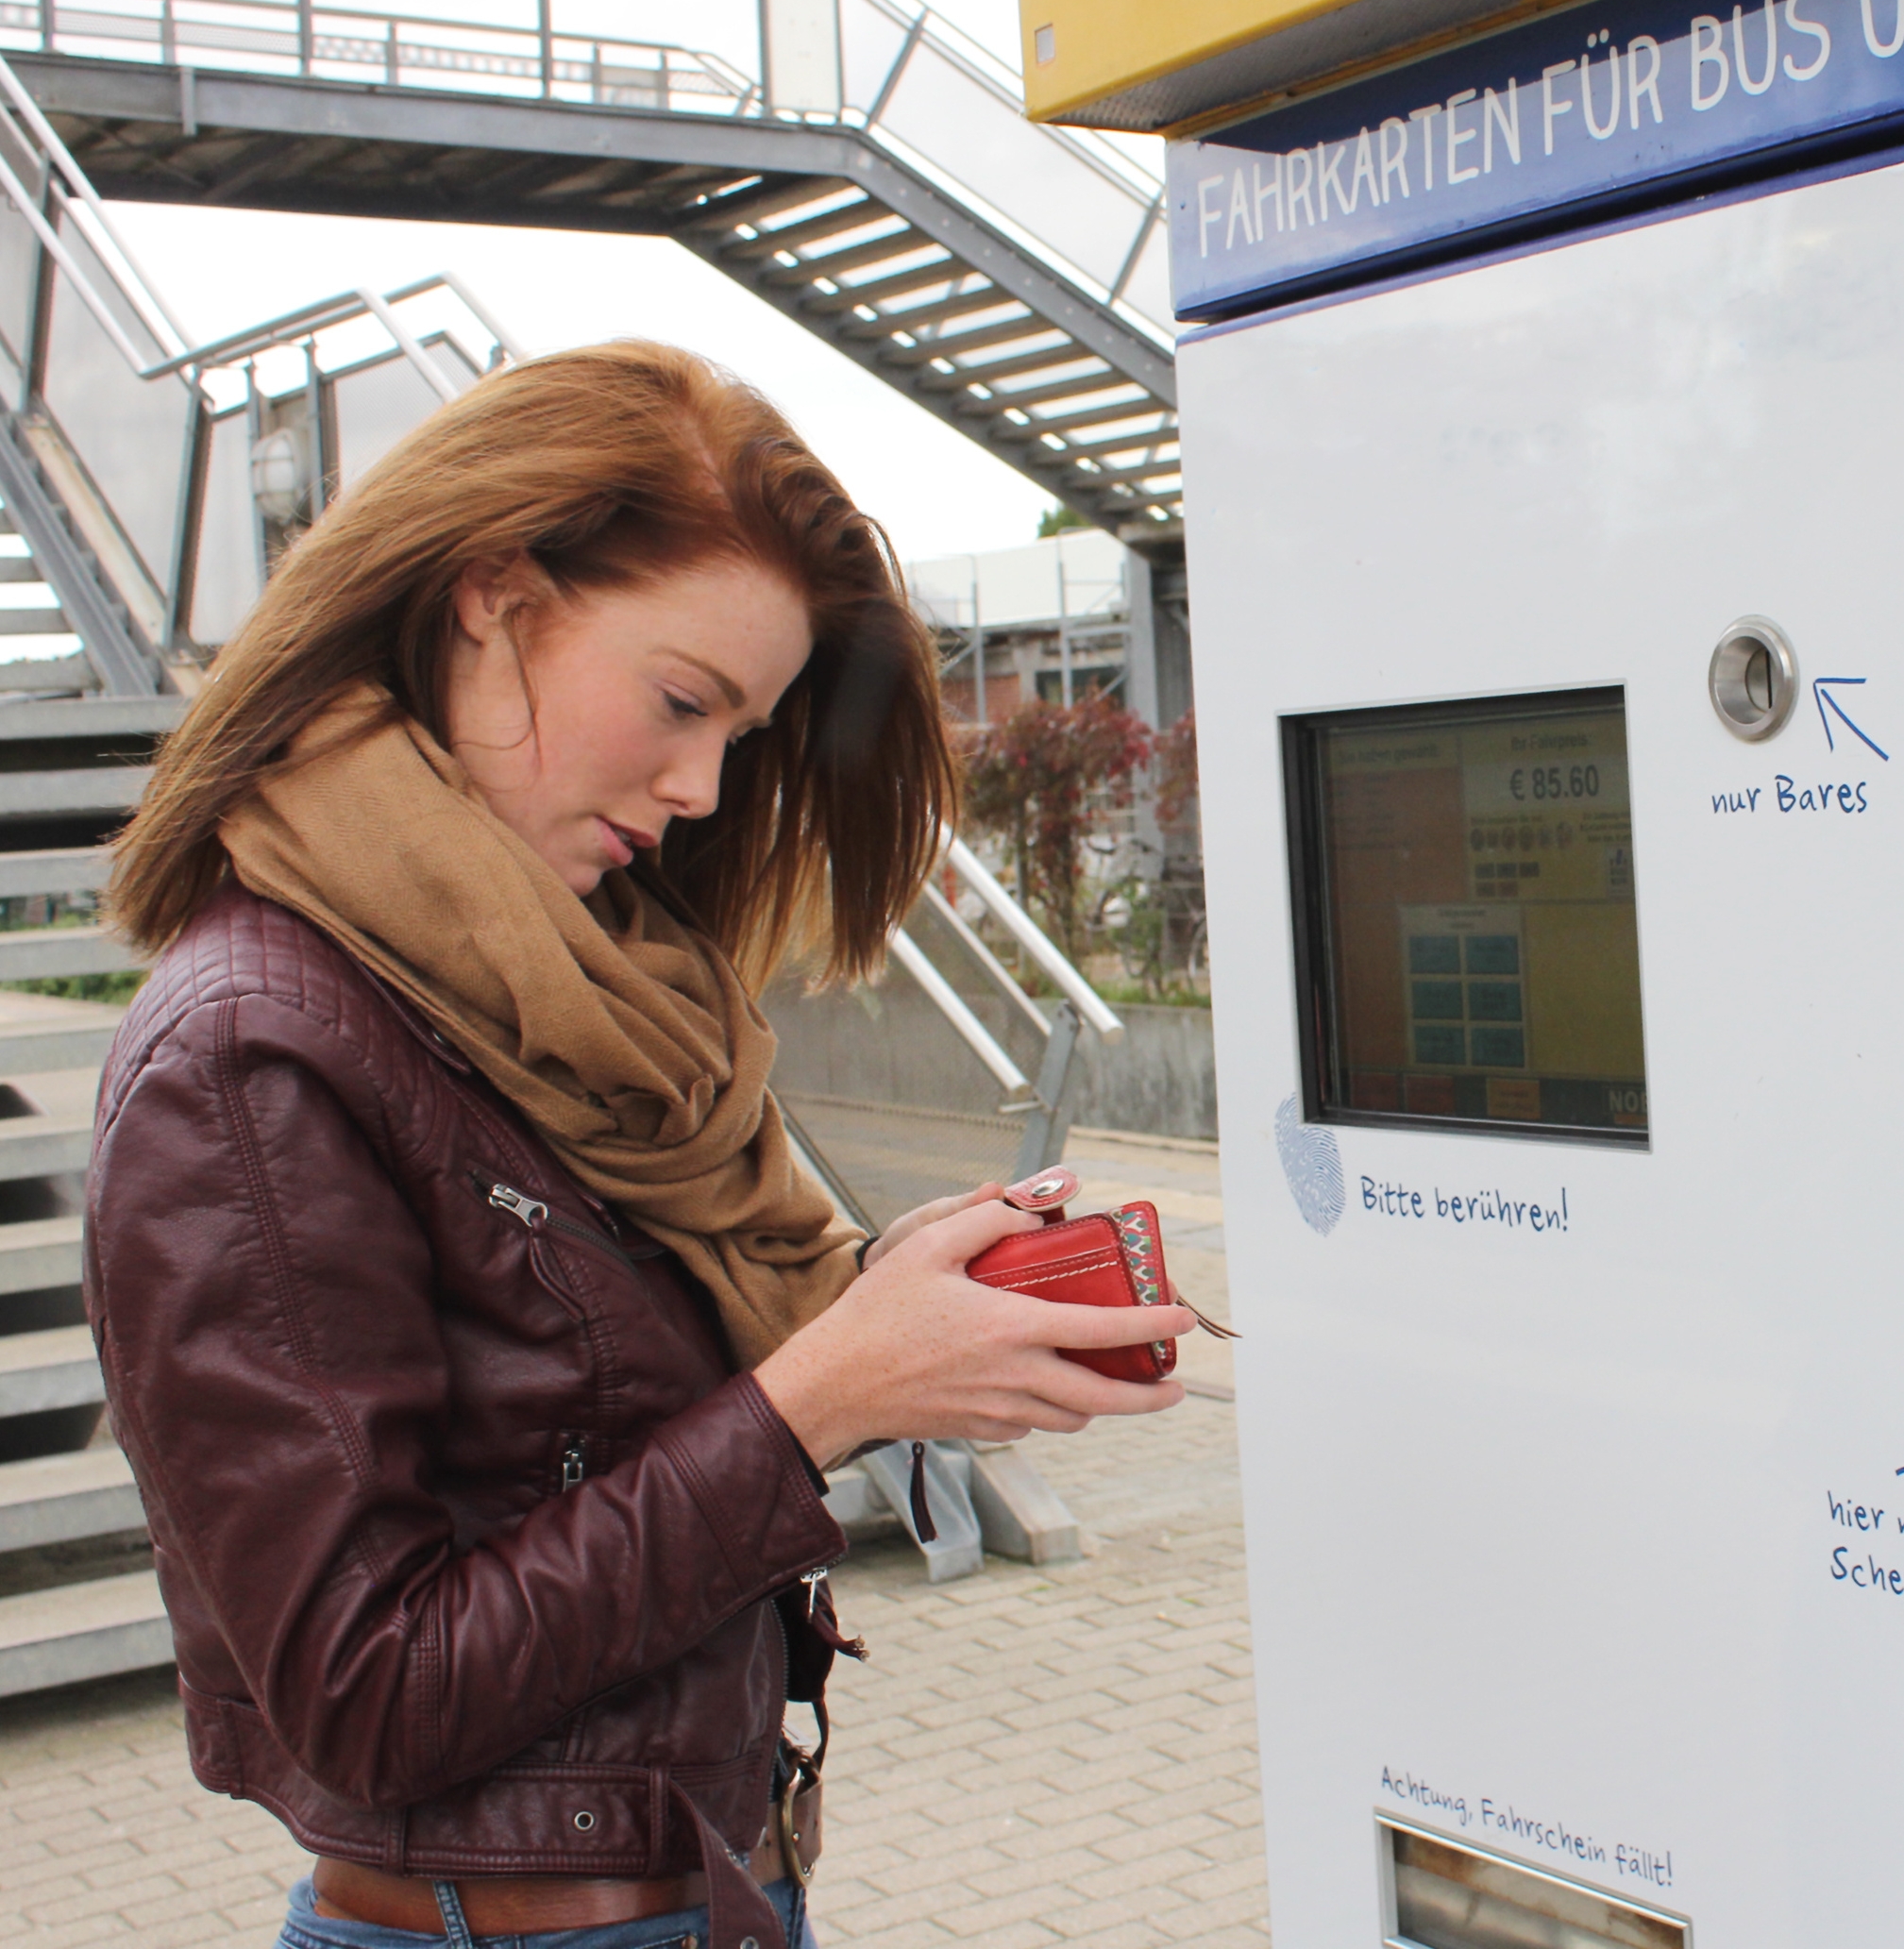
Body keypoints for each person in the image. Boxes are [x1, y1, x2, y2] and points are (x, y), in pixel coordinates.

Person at [84, 341, 1192, 1949]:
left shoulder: (563, 1000)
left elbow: (589, 1424)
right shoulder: (252, 1055)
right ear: (490, 594)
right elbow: (366, 1693)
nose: (698, 787)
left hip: (699, 1887)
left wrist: (893, 1306)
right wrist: (823, 1397)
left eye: (742, 734)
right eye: (683, 702)